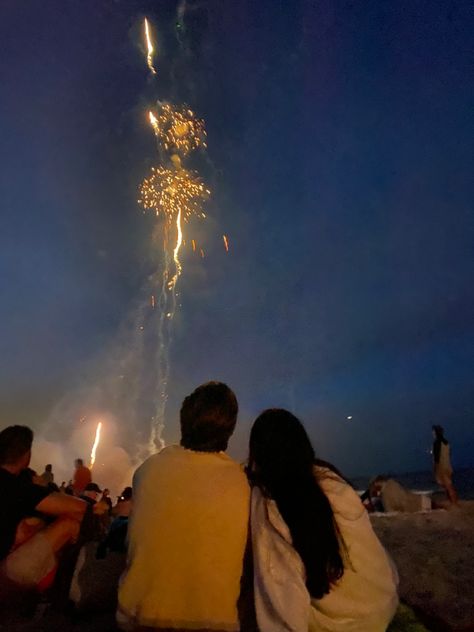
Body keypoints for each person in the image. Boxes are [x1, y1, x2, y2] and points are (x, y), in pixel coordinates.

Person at [248, 409, 398, 632]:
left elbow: (281, 604)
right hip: (383, 601)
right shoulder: (333, 482)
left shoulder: (269, 506)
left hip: (344, 625)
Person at [118, 382, 250, 631]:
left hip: (137, 619)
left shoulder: (147, 470)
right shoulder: (242, 482)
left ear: (183, 421)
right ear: (230, 428)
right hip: (213, 624)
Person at [0, 425, 86, 591]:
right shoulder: (18, 487)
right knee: (70, 523)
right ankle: (62, 593)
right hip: (5, 575)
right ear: (26, 456)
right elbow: (79, 508)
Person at [432, 425, 458, 504]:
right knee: (448, 485)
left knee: (448, 486)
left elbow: (436, 458)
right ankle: (452, 502)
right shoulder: (446, 443)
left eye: (433, 432)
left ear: (436, 433)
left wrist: (435, 468)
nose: (432, 434)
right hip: (448, 466)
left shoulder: (436, 443)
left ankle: (454, 503)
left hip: (441, 466)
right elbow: (449, 453)